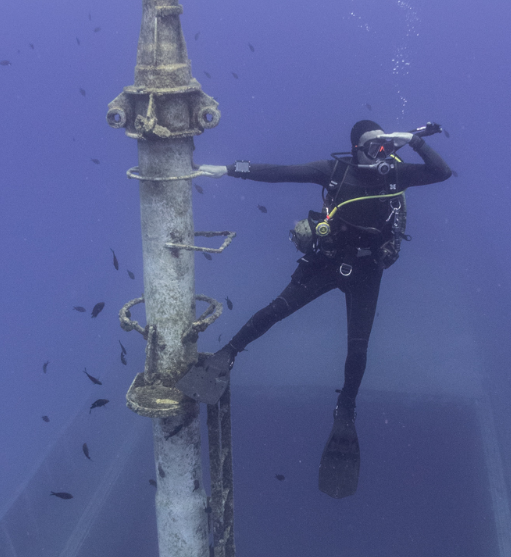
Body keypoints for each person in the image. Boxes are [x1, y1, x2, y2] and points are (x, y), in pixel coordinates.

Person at [181, 120, 453, 497]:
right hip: (327, 261)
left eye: (384, 146)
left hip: (367, 269)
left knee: (358, 349)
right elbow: (280, 173)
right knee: (274, 310)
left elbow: (442, 173)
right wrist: (230, 169)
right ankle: (226, 355)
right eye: (372, 146)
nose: (380, 153)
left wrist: (414, 142)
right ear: (356, 147)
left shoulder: (397, 175)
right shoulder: (335, 171)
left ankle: (346, 409)